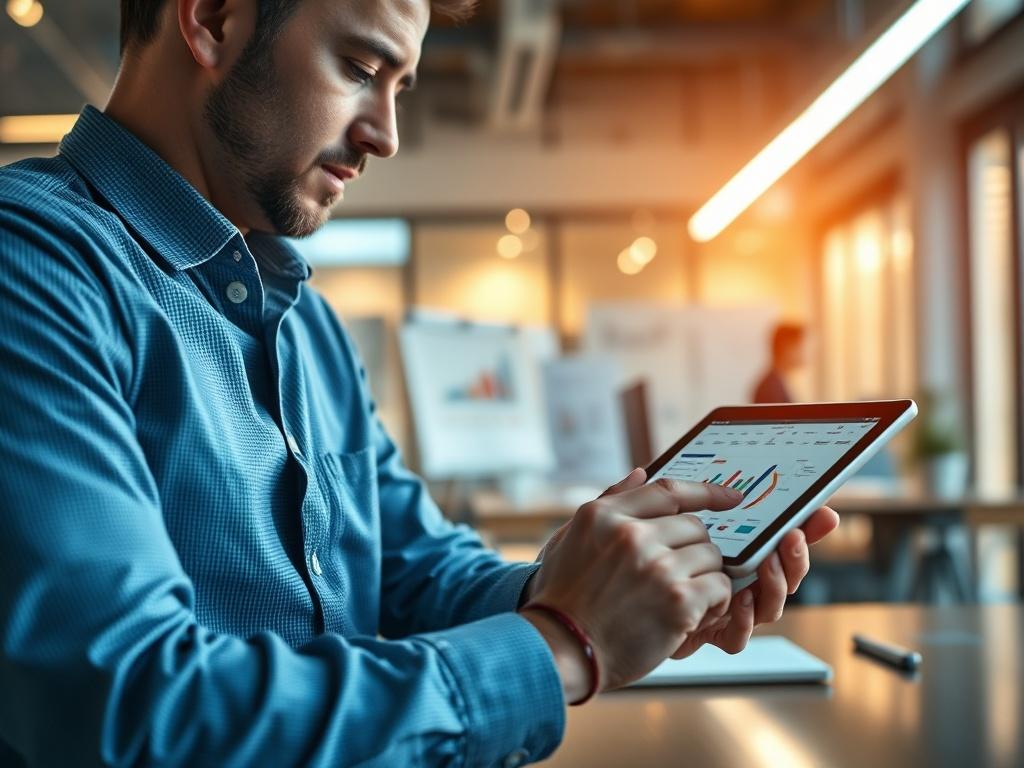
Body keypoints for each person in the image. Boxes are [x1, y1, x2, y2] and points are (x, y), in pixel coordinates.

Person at [0, 1, 839, 765]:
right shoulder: (33, 269)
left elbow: (411, 573)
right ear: (214, 19)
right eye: (362, 71)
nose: (387, 134)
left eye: (401, 85)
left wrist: (621, 587)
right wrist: (563, 643)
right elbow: (129, 706)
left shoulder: (305, 327)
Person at [752, 322, 809, 404]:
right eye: (801, 345)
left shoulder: (777, 382)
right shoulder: (771, 388)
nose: (805, 352)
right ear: (787, 347)